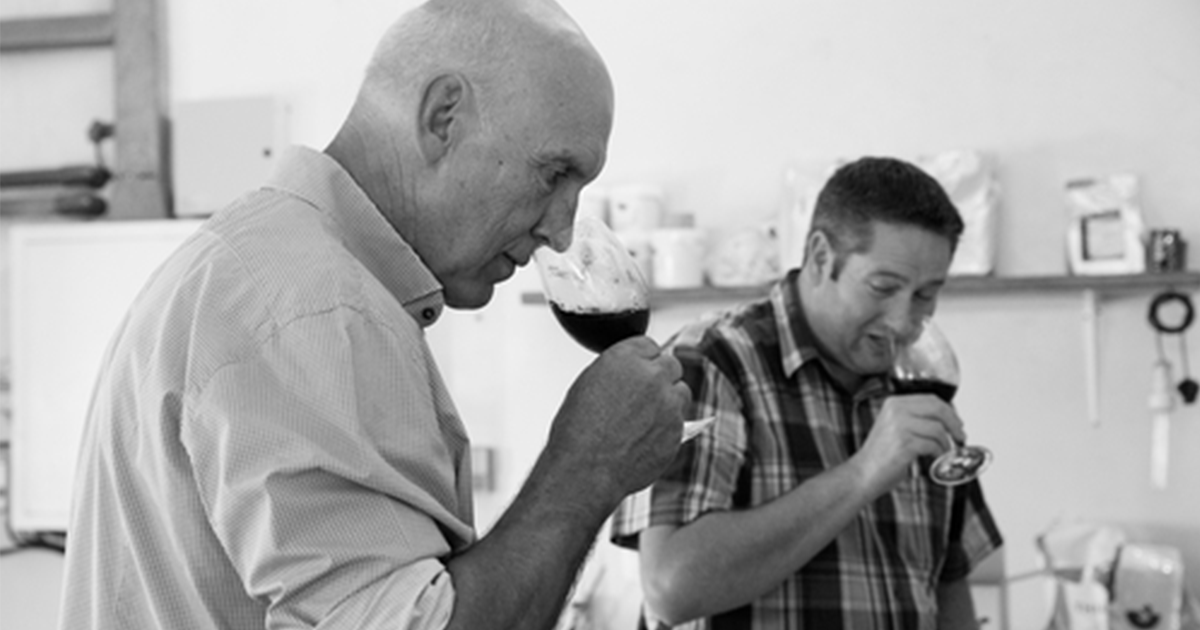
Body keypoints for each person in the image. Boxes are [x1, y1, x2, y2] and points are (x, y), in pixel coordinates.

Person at [57, 1, 690, 629]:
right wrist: (585, 470)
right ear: (444, 117)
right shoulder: (314, 309)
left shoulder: (270, 266)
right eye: (553, 174)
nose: (560, 231)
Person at [611, 156, 1004, 629]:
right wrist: (863, 474)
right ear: (821, 257)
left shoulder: (915, 380)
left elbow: (949, 583)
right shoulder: (711, 361)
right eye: (883, 287)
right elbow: (672, 588)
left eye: (926, 295)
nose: (904, 323)